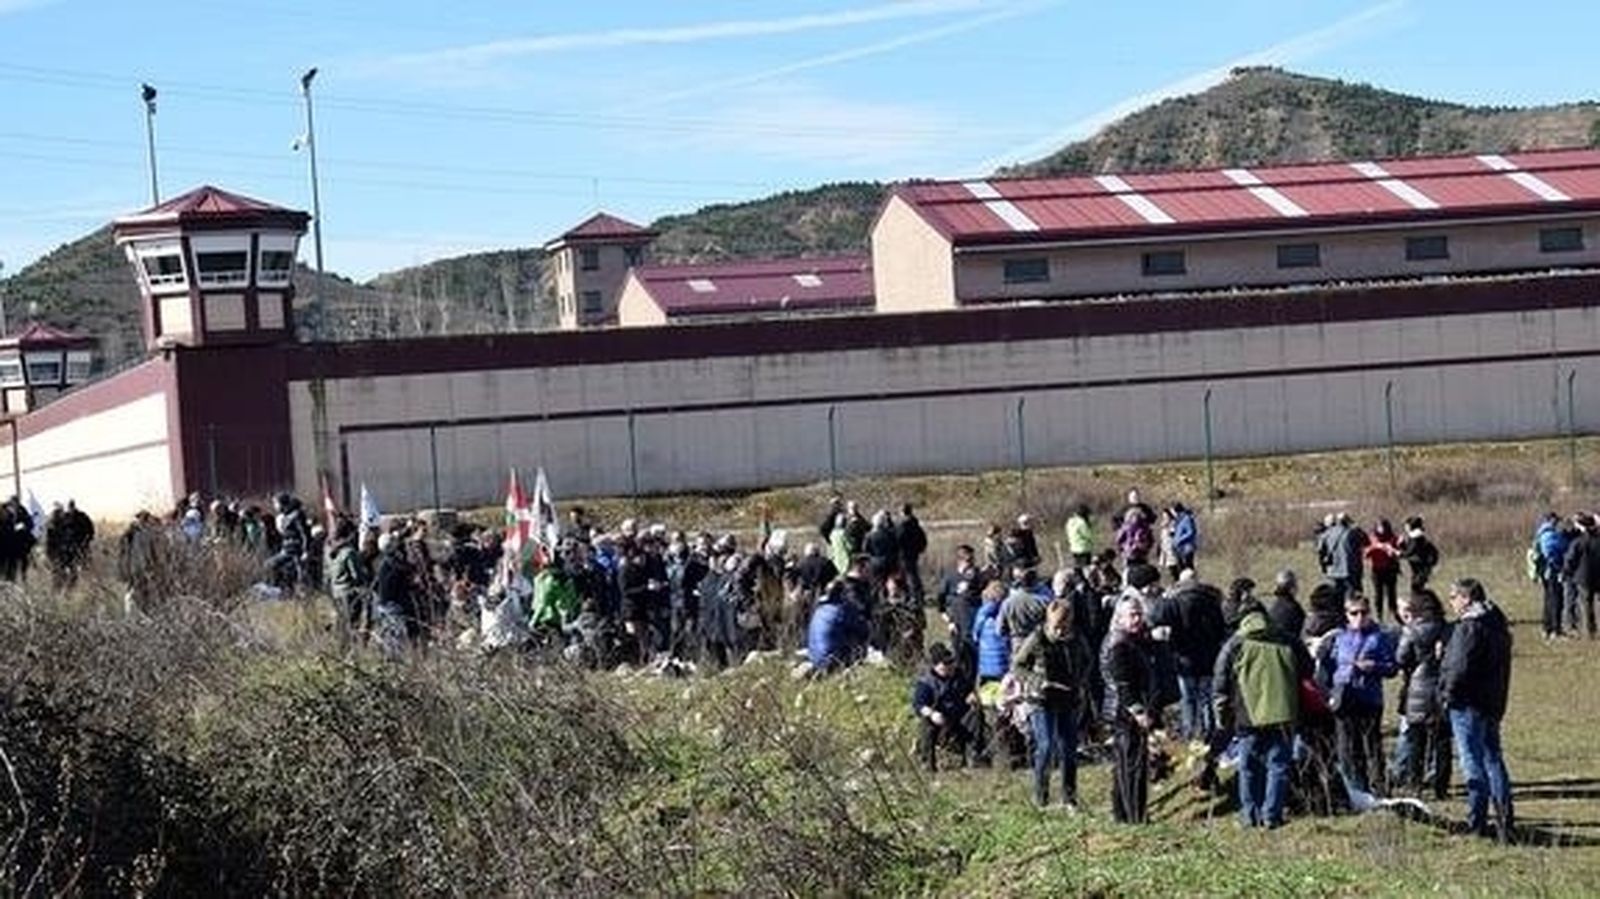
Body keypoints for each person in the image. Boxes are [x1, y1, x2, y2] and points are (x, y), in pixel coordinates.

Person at [1212, 597, 1306, 828]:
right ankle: (1271, 816)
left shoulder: (1234, 644)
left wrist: (1222, 718)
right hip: (1284, 713)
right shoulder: (1287, 639)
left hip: (1247, 716)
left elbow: (1220, 684)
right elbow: (1308, 669)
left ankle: (1249, 815)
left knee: (1248, 767)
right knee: (1278, 765)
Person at [1441, 578, 1515, 842]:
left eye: (1453, 597)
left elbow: (1458, 667)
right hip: (1492, 702)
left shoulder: (1469, 627)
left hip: (1468, 703)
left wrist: (1447, 694)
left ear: (1466, 598)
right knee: (1494, 761)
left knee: (1472, 763)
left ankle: (1477, 822)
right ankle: (1506, 821)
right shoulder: (1497, 624)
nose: (1451, 602)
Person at [1012, 600, 1093, 808]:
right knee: (1046, 747)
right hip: (1041, 698)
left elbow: (1088, 660)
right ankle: (1041, 798)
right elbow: (1017, 666)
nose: (1059, 630)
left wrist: (1080, 681)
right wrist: (1038, 681)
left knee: (1068, 749)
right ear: (1049, 621)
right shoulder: (1037, 638)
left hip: (1068, 697)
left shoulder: (1077, 638)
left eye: (1064, 626)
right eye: (1056, 626)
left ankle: (1070, 798)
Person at [1329, 596, 1398, 799]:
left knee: (1373, 745)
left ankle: (1380, 788)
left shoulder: (1379, 637)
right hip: (1345, 698)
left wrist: (1374, 667)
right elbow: (1331, 666)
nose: (1359, 617)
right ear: (1346, 615)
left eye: (1363, 612)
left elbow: (1392, 667)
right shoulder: (1339, 638)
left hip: (1369, 698)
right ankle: (1357, 789)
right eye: (1354, 613)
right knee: (1349, 747)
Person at [1389, 590, 1452, 799]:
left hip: (1418, 686)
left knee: (1417, 739)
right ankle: (1441, 786)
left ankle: (1414, 784)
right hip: (1442, 687)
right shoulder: (1448, 629)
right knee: (1442, 741)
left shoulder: (1412, 631)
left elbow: (1401, 657)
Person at [1102, 596, 1157, 824]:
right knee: (1131, 767)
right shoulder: (1119, 645)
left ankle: (1124, 815)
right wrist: (1139, 712)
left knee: (1127, 766)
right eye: (1131, 615)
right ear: (1120, 618)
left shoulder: (1134, 640)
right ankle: (1135, 818)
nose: (1137, 618)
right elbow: (1122, 683)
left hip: (1129, 709)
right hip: (1125, 713)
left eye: (1138, 613)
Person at [911, 643, 977, 771]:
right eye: (945, 664)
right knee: (926, 725)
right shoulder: (926, 682)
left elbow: (969, 690)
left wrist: (971, 696)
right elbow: (919, 704)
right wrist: (932, 714)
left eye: (950, 663)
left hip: (960, 716)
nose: (949, 667)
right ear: (936, 666)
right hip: (939, 719)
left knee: (976, 716)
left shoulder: (959, 675)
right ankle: (928, 763)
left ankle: (973, 757)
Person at [807, 580, 867, 675]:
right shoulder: (842, 610)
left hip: (814, 658)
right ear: (843, 594)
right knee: (854, 636)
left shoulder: (819, 608)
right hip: (831, 661)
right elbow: (863, 629)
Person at [1533, 512, 1571, 640]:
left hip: (1546, 572)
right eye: (1556, 521)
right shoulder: (1548, 534)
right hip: (1552, 571)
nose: (1558, 523)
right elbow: (1552, 551)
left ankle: (1547, 629)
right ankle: (1555, 630)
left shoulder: (1543, 532)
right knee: (1556, 600)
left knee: (1549, 600)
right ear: (1551, 520)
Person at [1365, 519, 1404, 624]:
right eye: (1379, 527)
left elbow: (1400, 552)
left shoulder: (1392, 537)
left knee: (1392, 593)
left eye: (1383, 527)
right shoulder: (1372, 538)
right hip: (1377, 570)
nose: (1381, 529)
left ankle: (1395, 614)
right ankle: (1379, 615)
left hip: (1390, 569)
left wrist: (1394, 550)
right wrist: (1375, 547)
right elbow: (1365, 554)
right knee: (1378, 594)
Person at [897, 503, 929, 603]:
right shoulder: (916, 525)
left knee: (909, 575)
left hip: (904, 554)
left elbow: (898, 539)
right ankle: (916, 594)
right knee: (913, 574)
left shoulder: (903, 526)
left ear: (902, 512)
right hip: (913, 553)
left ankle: (914, 595)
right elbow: (923, 539)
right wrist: (920, 549)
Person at [1402, 516, 1439, 592]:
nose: (1405, 527)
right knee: (1418, 587)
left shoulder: (1416, 537)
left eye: (1406, 525)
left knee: (1417, 588)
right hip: (1420, 567)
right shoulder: (1416, 536)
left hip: (1421, 567)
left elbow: (1409, 552)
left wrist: (1398, 553)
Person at [1065, 504, 1095, 569]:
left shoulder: (1070, 521)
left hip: (1074, 548)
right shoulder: (1082, 522)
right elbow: (1089, 535)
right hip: (1084, 549)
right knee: (1086, 569)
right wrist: (1090, 526)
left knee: (1078, 568)